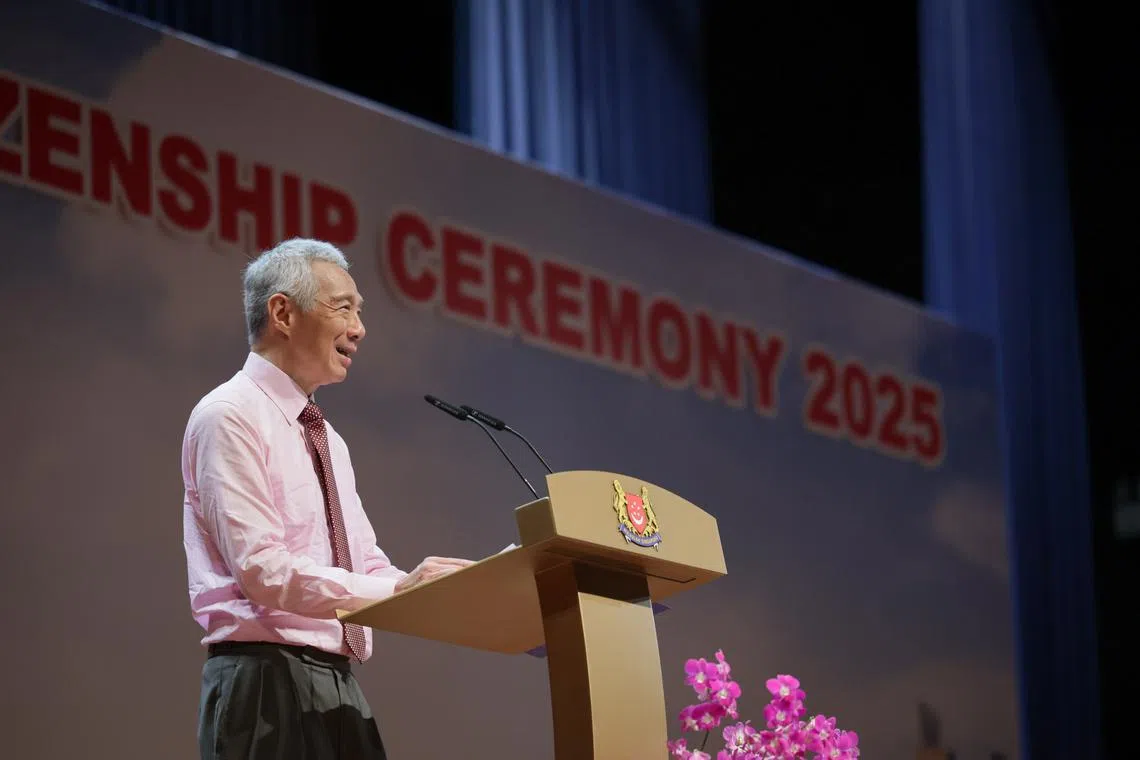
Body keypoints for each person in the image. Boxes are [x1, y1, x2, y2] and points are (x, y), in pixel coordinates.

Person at [181, 238, 473, 760]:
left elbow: (365, 562)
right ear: (282, 313)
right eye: (343, 308)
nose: (359, 329)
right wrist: (398, 590)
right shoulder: (230, 414)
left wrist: (439, 593)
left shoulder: (326, 438)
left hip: (337, 681)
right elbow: (263, 572)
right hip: (263, 681)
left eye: (360, 312)